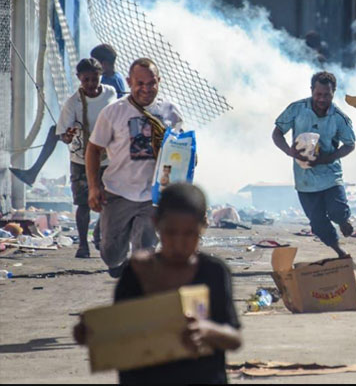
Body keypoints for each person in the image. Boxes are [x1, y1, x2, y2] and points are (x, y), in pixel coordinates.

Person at [72, 183, 242, 384]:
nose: (179, 243)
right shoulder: (136, 272)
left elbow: (234, 338)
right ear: (156, 224)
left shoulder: (213, 272)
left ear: (203, 227)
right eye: (170, 233)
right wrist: (90, 332)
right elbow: (118, 330)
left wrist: (207, 330)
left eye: (189, 234)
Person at [86, 58, 184, 277]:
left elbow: (180, 149)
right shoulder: (113, 112)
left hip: (154, 196)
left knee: (144, 250)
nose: (146, 89)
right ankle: (115, 259)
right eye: (140, 83)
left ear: (159, 81)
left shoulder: (170, 111)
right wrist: (93, 187)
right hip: (118, 192)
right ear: (129, 82)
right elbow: (93, 149)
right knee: (110, 252)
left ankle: (139, 288)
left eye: (151, 83)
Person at [272, 71, 356, 257]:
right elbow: (277, 133)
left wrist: (328, 157)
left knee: (337, 211)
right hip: (305, 179)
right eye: (318, 94)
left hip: (330, 174)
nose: (321, 99)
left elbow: (350, 144)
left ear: (333, 93)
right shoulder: (297, 109)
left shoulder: (339, 118)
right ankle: (339, 251)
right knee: (317, 223)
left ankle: (343, 220)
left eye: (326, 95)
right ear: (311, 91)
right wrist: (290, 151)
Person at [56, 58, 117, 258]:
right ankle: (83, 245)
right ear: (79, 79)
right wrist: (69, 135)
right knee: (83, 203)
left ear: (101, 77)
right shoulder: (72, 103)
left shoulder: (110, 93)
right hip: (81, 159)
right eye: (86, 80)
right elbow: (63, 136)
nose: (91, 84)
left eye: (94, 79)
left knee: (110, 199)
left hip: (108, 158)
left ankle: (99, 233)